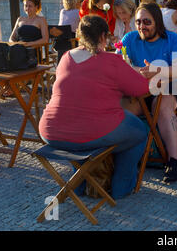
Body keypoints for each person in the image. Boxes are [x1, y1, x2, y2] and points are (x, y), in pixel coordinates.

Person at [39, 15, 151, 199]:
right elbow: (141, 88)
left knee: (85, 131)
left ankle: (79, 184)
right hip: (88, 133)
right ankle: (121, 188)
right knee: (139, 131)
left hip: (51, 132)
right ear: (102, 37)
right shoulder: (110, 60)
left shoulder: (66, 57)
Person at [120, 2, 177, 183]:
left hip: (166, 90)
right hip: (137, 93)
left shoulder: (173, 39)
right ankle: (123, 157)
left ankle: (175, 160)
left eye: (146, 22)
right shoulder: (129, 39)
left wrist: (157, 71)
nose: (142, 26)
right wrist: (135, 70)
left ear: (157, 22)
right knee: (119, 111)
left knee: (163, 107)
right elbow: (119, 67)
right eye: (138, 22)